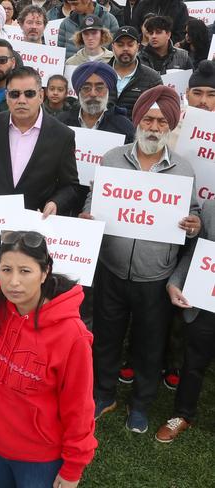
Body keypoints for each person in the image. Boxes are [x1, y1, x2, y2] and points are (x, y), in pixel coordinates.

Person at [82, 85, 201, 434]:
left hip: (156, 276)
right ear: (137, 121)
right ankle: (104, 394)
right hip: (112, 268)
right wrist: (88, 215)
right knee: (106, 337)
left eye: (161, 121)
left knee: (150, 344)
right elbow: (93, 200)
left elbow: (192, 215)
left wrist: (192, 226)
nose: (153, 126)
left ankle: (141, 404)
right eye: (148, 118)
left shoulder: (183, 169)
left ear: (170, 126)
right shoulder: (113, 158)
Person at [0, 230, 96, 488]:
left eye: (25, 271)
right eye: (6, 270)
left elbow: (79, 407)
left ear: (45, 271)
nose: (13, 282)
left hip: (39, 458)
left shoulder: (72, 335)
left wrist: (73, 467)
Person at [0, 67, 79, 216]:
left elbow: (70, 186)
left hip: (35, 225)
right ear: (7, 96)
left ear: (41, 95)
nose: (21, 100)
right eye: (15, 94)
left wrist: (55, 203)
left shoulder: (62, 135)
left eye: (29, 94)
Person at [154, 199, 215, 443]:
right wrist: (174, 282)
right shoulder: (211, 208)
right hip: (206, 303)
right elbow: (196, 253)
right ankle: (182, 414)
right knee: (193, 363)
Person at [58, 62, 134, 143]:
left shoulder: (123, 127)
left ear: (108, 90)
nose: (93, 94)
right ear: (78, 91)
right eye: (86, 88)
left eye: (99, 88)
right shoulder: (61, 123)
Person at [107, 26, 162, 119]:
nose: (125, 49)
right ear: (113, 47)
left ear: (138, 47)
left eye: (130, 45)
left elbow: (158, 113)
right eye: (120, 45)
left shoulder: (152, 78)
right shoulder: (100, 74)